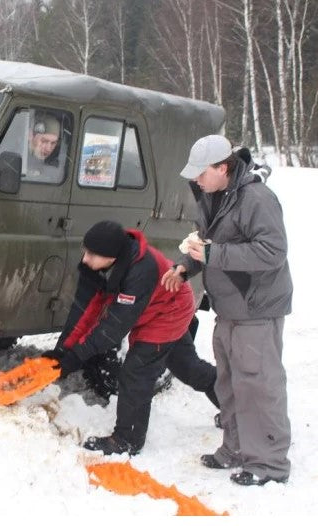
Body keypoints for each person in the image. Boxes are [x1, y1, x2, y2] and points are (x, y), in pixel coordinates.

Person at [161, 134, 292, 486]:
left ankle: (269, 463)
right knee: (230, 381)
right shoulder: (213, 195)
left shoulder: (257, 199)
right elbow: (205, 244)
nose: (195, 180)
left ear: (223, 167)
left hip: (256, 306)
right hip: (228, 306)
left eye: (201, 173)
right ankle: (234, 448)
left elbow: (272, 252)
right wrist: (184, 266)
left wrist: (214, 255)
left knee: (259, 385)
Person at [43, 220, 219, 456]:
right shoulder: (103, 266)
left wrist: (77, 357)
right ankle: (235, 403)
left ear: (111, 255)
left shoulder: (140, 271)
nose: (85, 259)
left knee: (136, 372)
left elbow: (114, 326)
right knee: (186, 366)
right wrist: (65, 350)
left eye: (92, 254)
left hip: (169, 309)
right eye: (85, 251)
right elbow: (87, 310)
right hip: (156, 304)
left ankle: (127, 440)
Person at [26, 112, 60, 178]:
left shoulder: (55, 170)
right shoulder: (18, 155)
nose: (48, 148)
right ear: (30, 136)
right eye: (44, 141)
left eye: (53, 143)